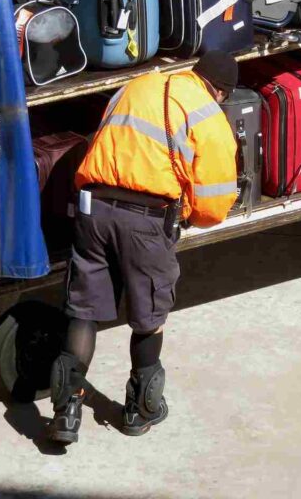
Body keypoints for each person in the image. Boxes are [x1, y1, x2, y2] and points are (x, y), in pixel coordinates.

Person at [48, 51, 240, 444]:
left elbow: (104, 137)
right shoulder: (207, 113)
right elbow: (214, 203)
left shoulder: (137, 87)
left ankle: (66, 414)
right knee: (149, 316)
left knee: (84, 311)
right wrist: (186, 215)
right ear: (220, 92)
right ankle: (140, 409)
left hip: (92, 210)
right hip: (146, 221)